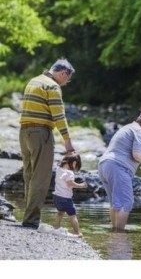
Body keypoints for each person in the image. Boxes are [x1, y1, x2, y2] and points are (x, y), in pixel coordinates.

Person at [19, 58, 76, 229]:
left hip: (24, 132)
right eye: (68, 79)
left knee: (29, 175)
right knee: (41, 178)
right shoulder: (52, 86)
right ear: (63, 73)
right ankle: (31, 220)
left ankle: (29, 216)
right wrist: (68, 142)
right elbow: (59, 116)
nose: (67, 83)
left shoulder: (33, 81)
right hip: (40, 132)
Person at [98, 103, 141, 231]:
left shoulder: (128, 127)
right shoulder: (140, 132)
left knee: (115, 203)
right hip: (118, 167)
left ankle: (114, 232)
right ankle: (119, 235)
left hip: (104, 165)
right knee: (125, 203)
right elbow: (137, 155)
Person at [52, 153, 87, 237]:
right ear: (74, 163)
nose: (75, 170)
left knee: (60, 212)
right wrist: (81, 185)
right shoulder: (70, 173)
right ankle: (77, 232)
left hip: (56, 197)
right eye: (76, 167)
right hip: (66, 198)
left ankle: (56, 228)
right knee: (72, 215)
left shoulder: (58, 169)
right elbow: (70, 183)